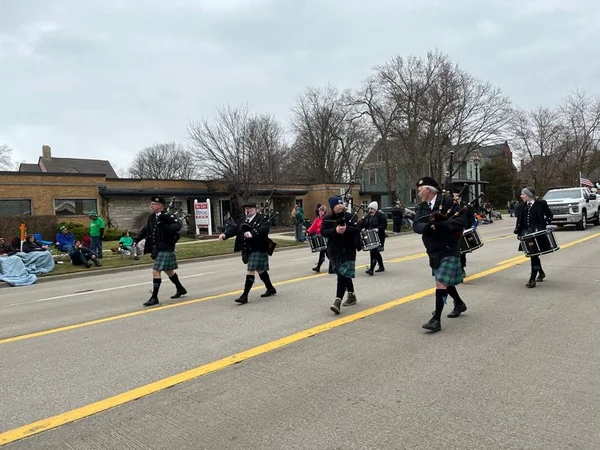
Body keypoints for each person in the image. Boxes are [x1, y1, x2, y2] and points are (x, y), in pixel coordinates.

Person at [413, 177, 470, 333]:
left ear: (428, 190)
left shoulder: (448, 202)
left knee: (441, 283)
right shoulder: (422, 207)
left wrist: (442, 225)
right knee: (444, 281)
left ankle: (436, 319)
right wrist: (430, 227)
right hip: (433, 250)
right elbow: (416, 225)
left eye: (420, 190)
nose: (419, 194)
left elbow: (462, 221)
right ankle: (459, 303)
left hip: (448, 248)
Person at [218, 201, 277, 304]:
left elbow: (265, 229)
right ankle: (271, 288)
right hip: (248, 249)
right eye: (246, 208)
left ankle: (244, 296)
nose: (248, 210)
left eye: (250, 208)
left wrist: (252, 233)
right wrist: (225, 235)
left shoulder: (262, 219)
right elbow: (235, 229)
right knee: (260, 270)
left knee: (251, 270)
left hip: (259, 247)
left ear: (256, 209)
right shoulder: (243, 220)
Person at [136, 196, 187, 307]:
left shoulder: (168, 216)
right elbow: (146, 230)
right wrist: (136, 240)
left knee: (156, 270)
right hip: (157, 248)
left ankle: (154, 297)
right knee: (169, 271)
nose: (151, 205)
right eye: (151, 203)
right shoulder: (152, 217)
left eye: (153, 204)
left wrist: (165, 224)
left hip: (166, 247)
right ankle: (180, 288)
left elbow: (177, 226)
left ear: (160, 206)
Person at [321, 196, 360, 314]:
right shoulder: (327, 219)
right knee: (343, 274)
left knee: (342, 276)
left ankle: (337, 301)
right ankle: (352, 295)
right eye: (337, 204)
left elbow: (358, 229)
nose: (340, 206)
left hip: (348, 251)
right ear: (333, 207)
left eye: (341, 204)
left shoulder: (350, 216)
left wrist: (346, 229)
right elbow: (323, 232)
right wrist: (335, 231)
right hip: (334, 252)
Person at [514, 187, 553, 288]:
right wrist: (519, 232)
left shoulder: (541, 204)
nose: (521, 196)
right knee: (533, 255)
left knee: (534, 256)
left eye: (523, 194)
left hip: (537, 233)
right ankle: (540, 272)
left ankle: (532, 279)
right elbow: (520, 221)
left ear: (529, 195)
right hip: (526, 235)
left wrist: (545, 224)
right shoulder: (521, 207)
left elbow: (549, 215)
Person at [360, 201, 388, 275]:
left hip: (378, 236)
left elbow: (384, 224)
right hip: (370, 237)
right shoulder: (368, 216)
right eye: (369, 209)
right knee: (375, 252)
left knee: (374, 252)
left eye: (372, 209)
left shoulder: (381, 216)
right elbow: (364, 223)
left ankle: (371, 269)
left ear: (375, 209)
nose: (370, 211)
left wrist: (378, 229)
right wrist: (362, 228)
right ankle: (381, 266)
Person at [307, 204, 328, 273]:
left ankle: (333, 265)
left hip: (326, 237)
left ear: (325, 212)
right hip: (320, 238)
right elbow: (313, 226)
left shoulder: (327, 218)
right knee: (323, 252)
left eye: (322, 211)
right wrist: (308, 231)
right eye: (319, 211)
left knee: (327, 253)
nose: (320, 212)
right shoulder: (317, 219)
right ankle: (318, 267)